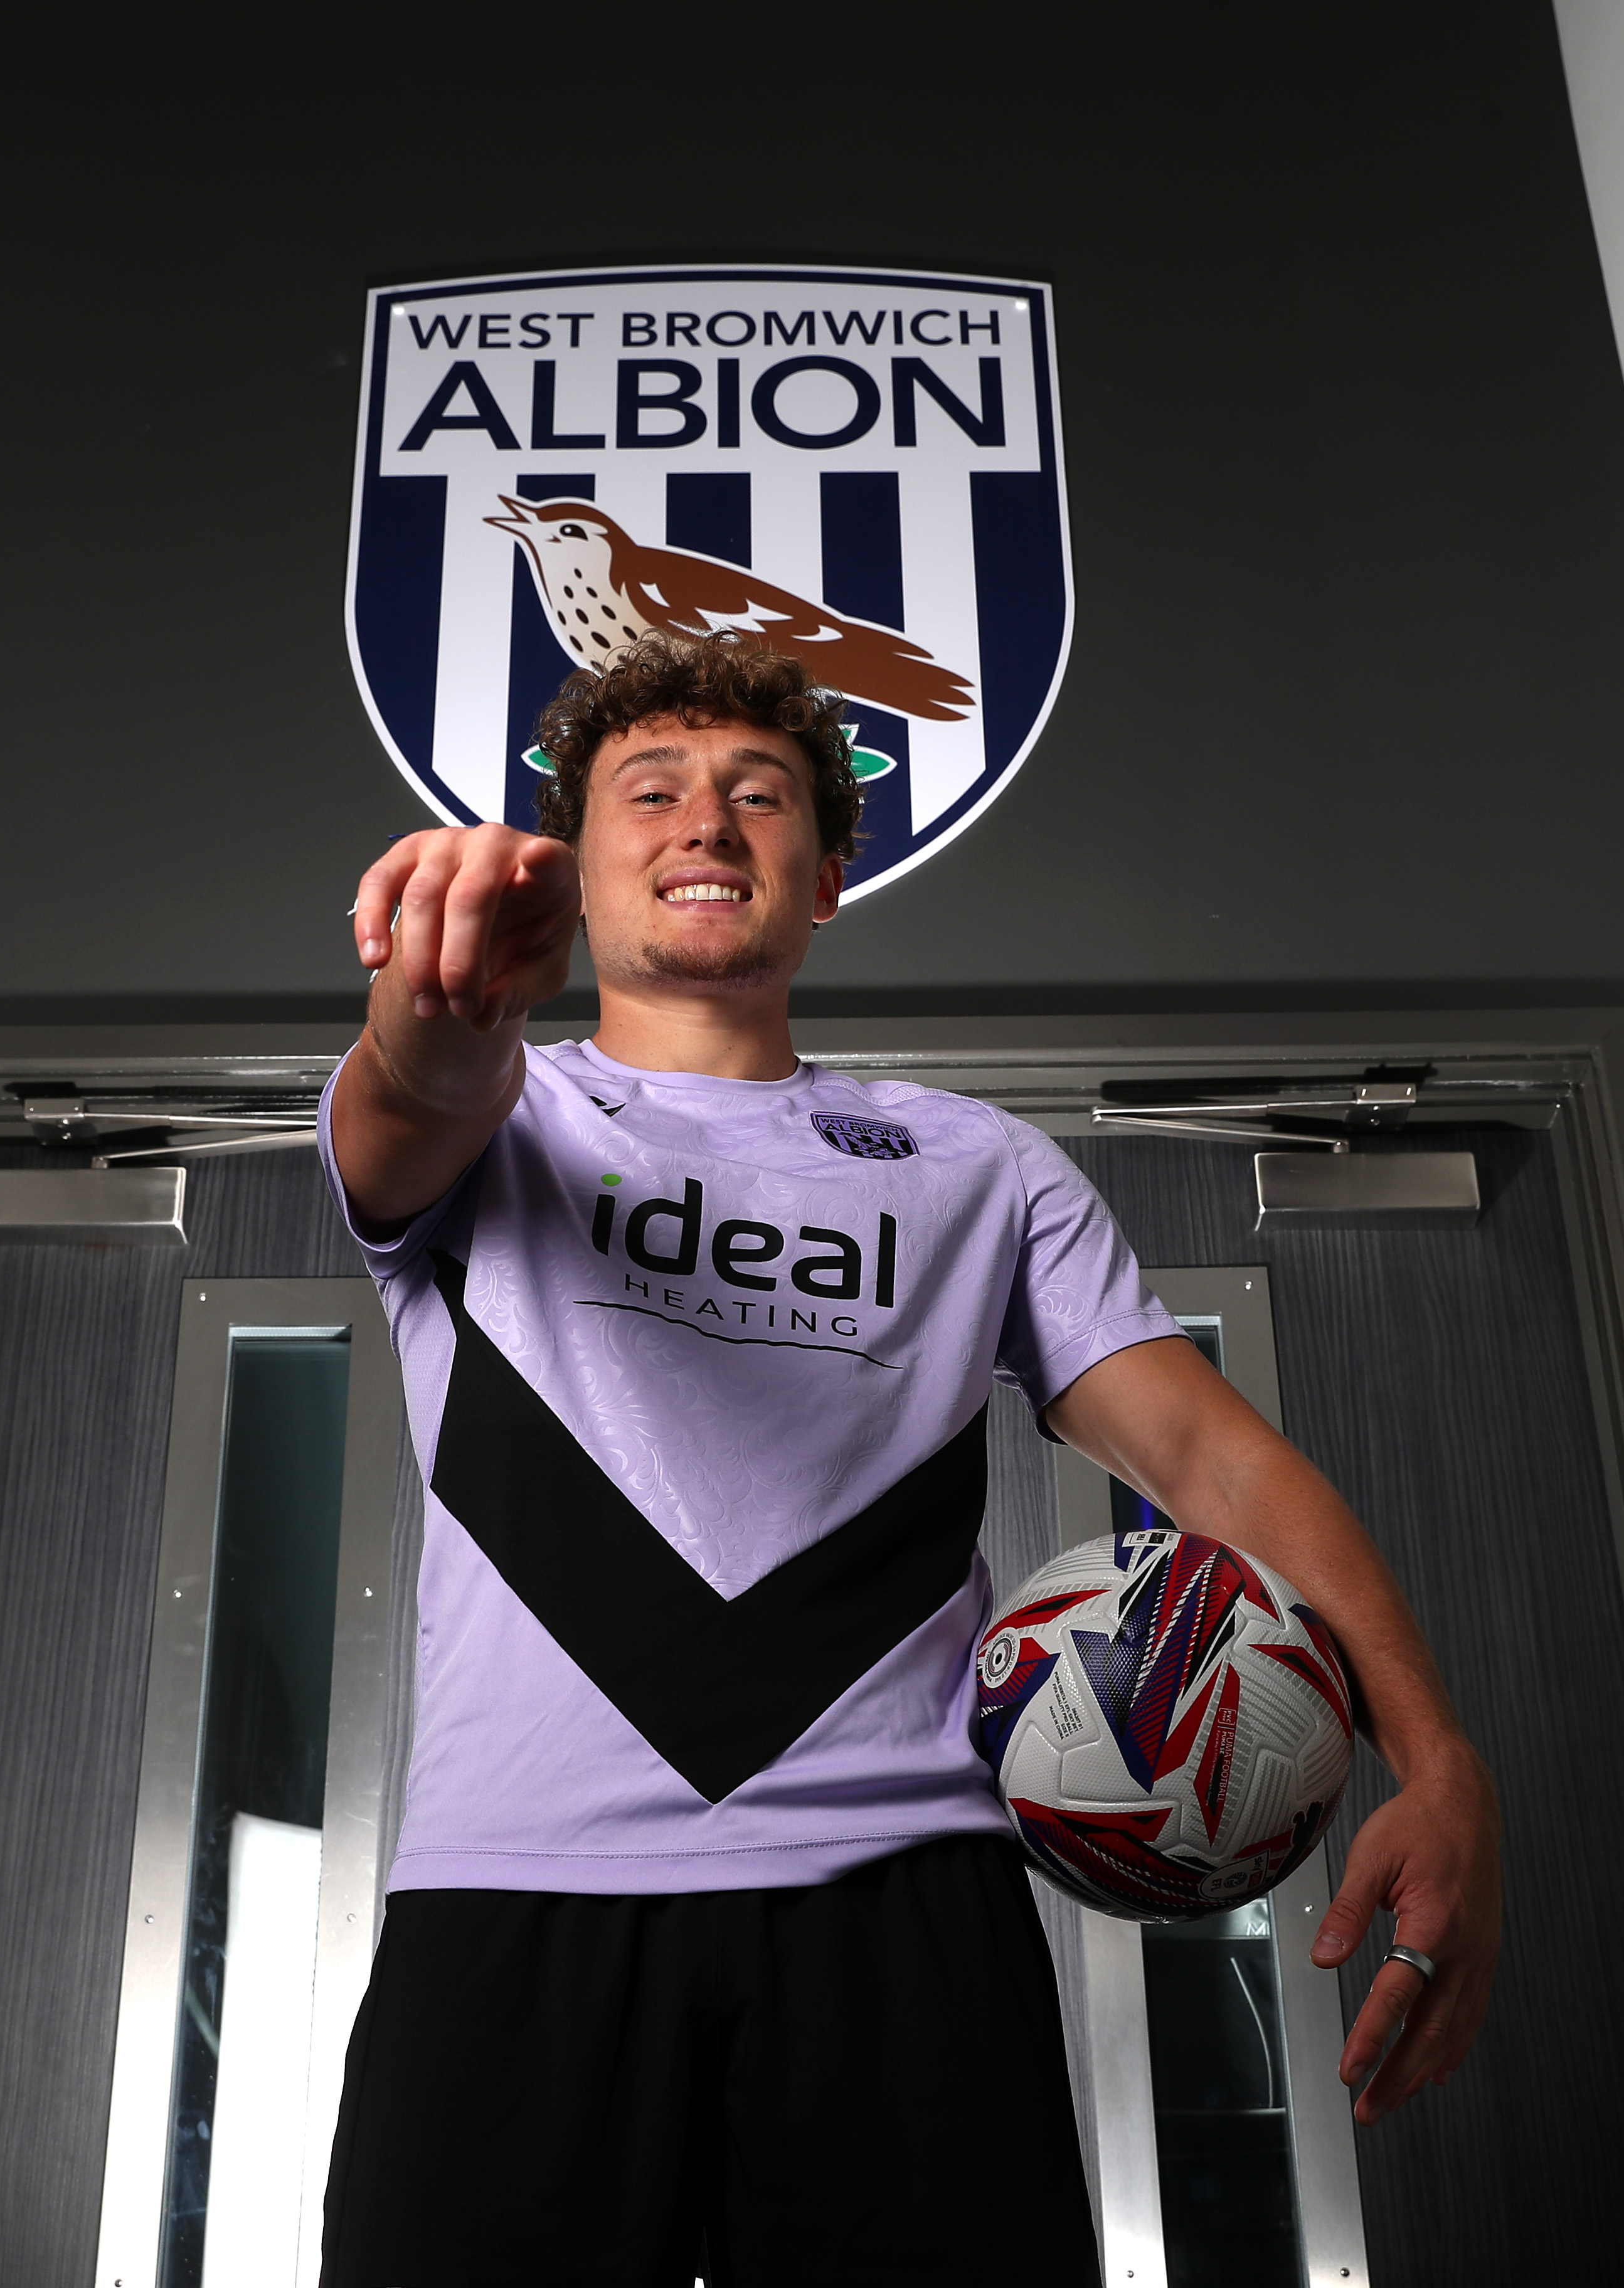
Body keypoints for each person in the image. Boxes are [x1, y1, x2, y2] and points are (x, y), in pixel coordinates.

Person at [316, 630, 1501, 2285]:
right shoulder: (500, 1117)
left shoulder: (978, 1168)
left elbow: (1215, 1470)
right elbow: (408, 1085)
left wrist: (1438, 1766)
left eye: (760, 797)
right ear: (579, 873)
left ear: (828, 880)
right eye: (647, 793)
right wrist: (439, 995)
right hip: (519, 1902)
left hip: (902, 1906)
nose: (705, 824)